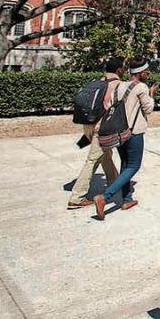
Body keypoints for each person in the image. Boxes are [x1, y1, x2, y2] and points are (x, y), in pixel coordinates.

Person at [93, 57, 156, 220]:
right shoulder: (141, 87)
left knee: (125, 164)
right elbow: (148, 109)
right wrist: (151, 95)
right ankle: (105, 197)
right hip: (134, 132)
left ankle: (126, 199)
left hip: (119, 131)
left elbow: (110, 106)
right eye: (146, 71)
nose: (148, 74)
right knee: (134, 165)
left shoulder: (120, 85)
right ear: (141, 73)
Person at [66, 57, 123, 209]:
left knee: (106, 154)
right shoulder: (117, 85)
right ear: (119, 70)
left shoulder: (97, 81)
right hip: (101, 127)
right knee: (93, 160)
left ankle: (114, 181)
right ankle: (77, 197)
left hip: (88, 125)